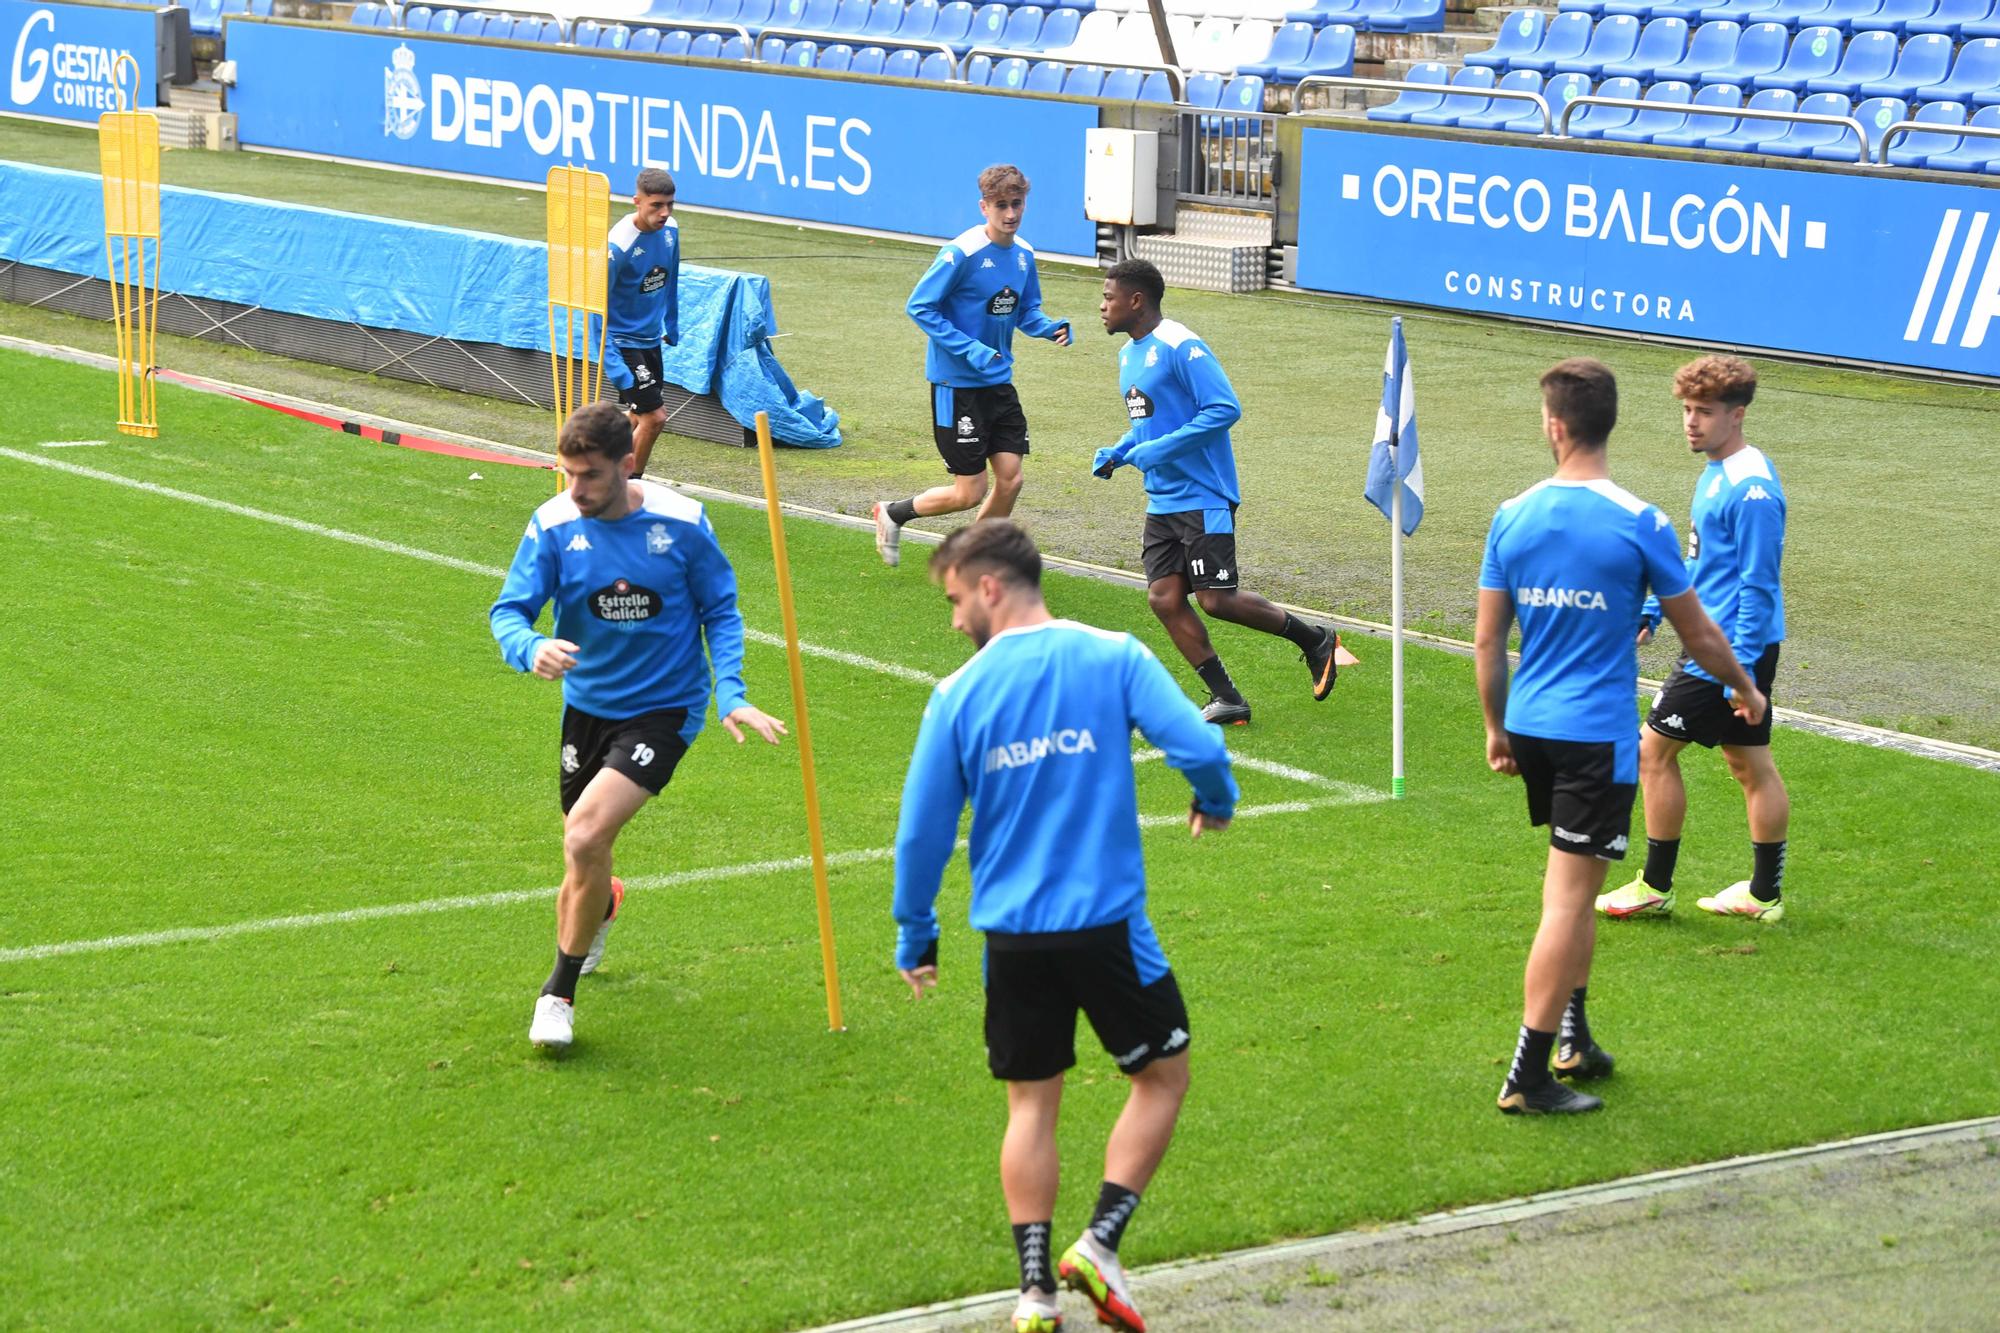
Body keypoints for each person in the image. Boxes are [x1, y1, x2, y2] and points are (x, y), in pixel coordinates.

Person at [892, 520, 1237, 1333]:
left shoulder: (958, 695)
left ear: (988, 586)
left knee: (1030, 1108)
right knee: (1164, 1074)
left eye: (952, 601)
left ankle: (1034, 1293)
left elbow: (920, 834)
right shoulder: (1112, 653)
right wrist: (1213, 799)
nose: (953, 622)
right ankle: (1103, 1243)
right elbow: (1197, 742)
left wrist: (916, 935)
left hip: (1012, 939)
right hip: (1109, 928)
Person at [1475, 359, 1766, 1114]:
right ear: (1607, 423)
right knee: (1567, 902)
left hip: (1532, 726)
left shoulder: (1511, 512)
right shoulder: (1641, 521)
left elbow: (1486, 642)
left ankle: (1575, 1035)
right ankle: (1527, 1072)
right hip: (1593, 739)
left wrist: (1495, 729)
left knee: (1577, 881)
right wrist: (1742, 682)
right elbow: (1697, 629)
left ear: (1555, 425)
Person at [490, 402, 786, 1051]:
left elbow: (723, 611)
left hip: (664, 708)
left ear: (628, 464)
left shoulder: (680, 525)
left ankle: (556, 994)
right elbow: (509, 610)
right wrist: (528, 645)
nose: (575, 489)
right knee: (584, 848)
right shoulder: (554, 524)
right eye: (566, 473)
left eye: (589, 475)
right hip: (587, 707)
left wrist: (730, 692)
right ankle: (606, 901)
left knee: (585, 833)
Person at [1091, 258, 1338, 727]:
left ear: (1136, 300)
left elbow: (1224, 409)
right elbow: (1148, 424)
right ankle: (1227, 698)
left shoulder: (1180, 345)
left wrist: (1157, 450)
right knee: (1164, 598)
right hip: (1161, 498)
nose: (1102, 307)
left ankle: (1315, 640)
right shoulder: (1128, 355)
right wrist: (1119, 451)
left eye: (1108, 298)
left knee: (1216, 599)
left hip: (1203, 494)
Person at [1601, 355, 1792, 923]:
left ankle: (1655, 888)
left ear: (1737, 415)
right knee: (1748, 763)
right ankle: (1762, 895)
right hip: (1717, 641)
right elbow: (1698, 561)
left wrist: (1743, 672)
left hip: (1728, 648)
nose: (1691, 421)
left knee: (1651, 753)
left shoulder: (1752, 491)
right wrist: (1656, 610)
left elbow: (1760, 585)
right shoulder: (1717, 471)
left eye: (1703, 412)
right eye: (1686, 409)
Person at [872, 165, 1071, 568]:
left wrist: (1049, 328)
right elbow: (920, 307)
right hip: (957, 385)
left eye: (1017, 204)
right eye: (1001, 205)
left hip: (999, 381)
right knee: (969, 492)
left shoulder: (1024, 255)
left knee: (1011, 478)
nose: (1011, 213)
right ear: (984, 207)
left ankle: (974, 557)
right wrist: (974, 350)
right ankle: (892, 513)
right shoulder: (960, 253)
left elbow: (1024, 309)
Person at [602, 168, 680, 478]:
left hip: (650, 340)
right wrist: (614, 364)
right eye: (656, 205)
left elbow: (670, 279)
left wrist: (671, 324)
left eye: (670, 205)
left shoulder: (671, 230)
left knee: (637, 415)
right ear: (637, 201)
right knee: (655, 418)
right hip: (623, 343)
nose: (664, 213)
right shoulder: (617, 246)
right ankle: (626, 485)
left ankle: (596, 456)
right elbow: (597, 310)